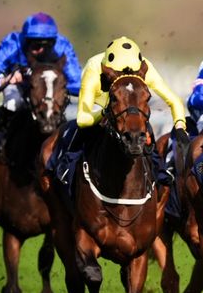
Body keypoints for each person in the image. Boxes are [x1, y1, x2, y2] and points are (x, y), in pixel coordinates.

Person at [70, 36, 188, 185]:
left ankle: (158, 172)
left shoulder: (146, 69)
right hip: (100, 104)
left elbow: (174, 100)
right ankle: (67, 165)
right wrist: (104, 113)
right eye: (121, 73)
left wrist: (180, 127)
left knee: (145, 130)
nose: (127, 77)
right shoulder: (94, 68)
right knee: (82, 132)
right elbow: (82, 119)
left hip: (129, 107)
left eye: (131, 73)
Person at [0, 12, 81, 131]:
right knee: (12, 101)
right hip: (20, 96)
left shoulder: (62, 46)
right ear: (26, 41)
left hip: (49, 100)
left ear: (54, 42)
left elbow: (77, 83)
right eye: (36, 45)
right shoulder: (13, 44)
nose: (41, 50)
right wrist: (3, 80)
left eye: (48, 45)